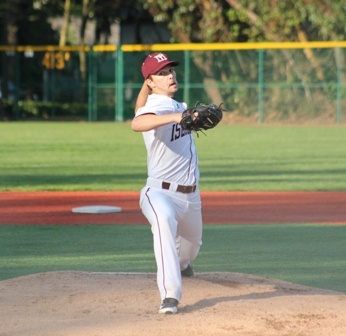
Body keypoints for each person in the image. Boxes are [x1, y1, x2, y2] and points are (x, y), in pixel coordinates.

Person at [131, 52, 203, 314]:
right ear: (151, 82)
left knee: (190, 249)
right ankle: (170, 296)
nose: (170, 75)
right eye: (162, 73)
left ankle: (183, 264)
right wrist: (176, 118)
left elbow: (140, 108)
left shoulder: (177, 104)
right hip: (159, 192)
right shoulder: (162, 107)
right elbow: (138, 121)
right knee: (162, 222)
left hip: (190, 197)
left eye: (170, 70)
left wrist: (182, 114)